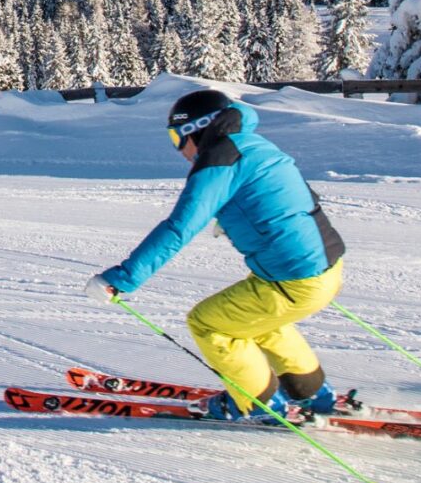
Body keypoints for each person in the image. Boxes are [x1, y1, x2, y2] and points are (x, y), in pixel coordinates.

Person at [87, 88, 347, 422]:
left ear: (194, 130)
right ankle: (312, 394)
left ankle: (257, 404)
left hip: (292, 279)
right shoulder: (253, 144)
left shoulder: (218, 159)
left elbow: (179, 228)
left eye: (176, 138)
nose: (179, 149)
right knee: (258, 322)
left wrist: (119, 279)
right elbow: (290, 195)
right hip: (324, 269)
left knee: (208, 323)